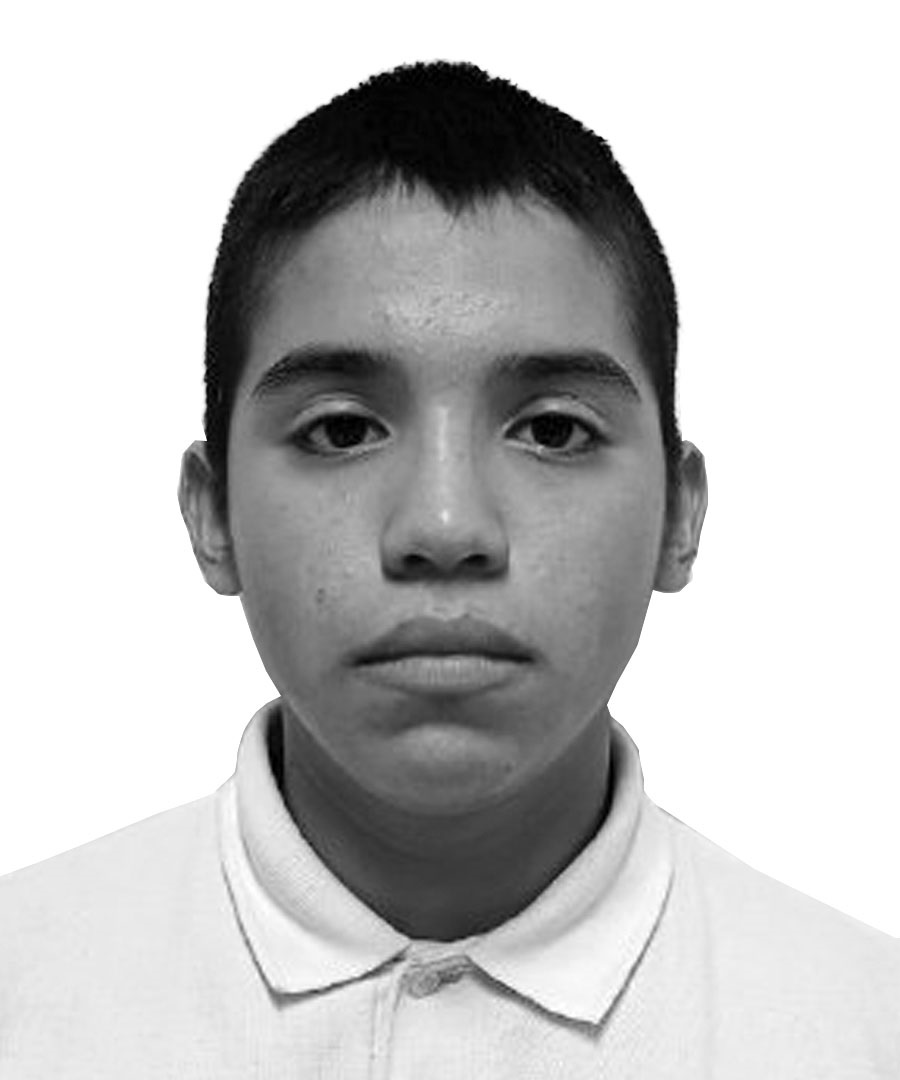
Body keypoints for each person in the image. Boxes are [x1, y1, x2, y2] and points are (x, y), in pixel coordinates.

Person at [0, 60, 896, 1078]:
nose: (444, 526)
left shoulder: (864, 1030)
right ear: (213, 515)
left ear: (678, 517)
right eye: (342, 429)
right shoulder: (25, 994)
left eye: (553, 430)